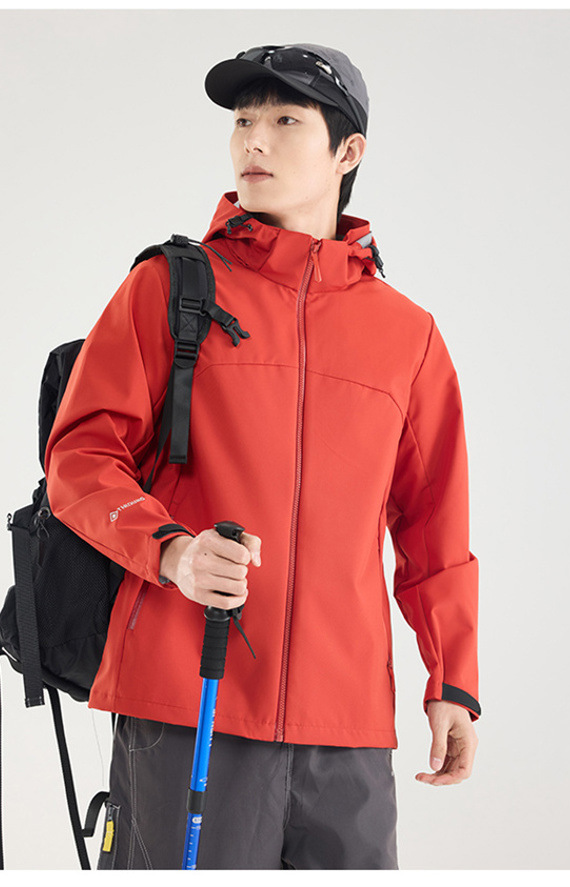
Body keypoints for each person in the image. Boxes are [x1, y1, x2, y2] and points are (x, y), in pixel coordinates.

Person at [44, 42, 480, 870]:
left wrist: (452, 677)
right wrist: (171, 552)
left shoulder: (408, 336)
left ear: (348, 152)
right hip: (189, 700)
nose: (254, 140)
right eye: (243, 120)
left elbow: (435, 522)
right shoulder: (169, 289)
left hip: (347, 727)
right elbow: (80, 455)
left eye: (285, 120)